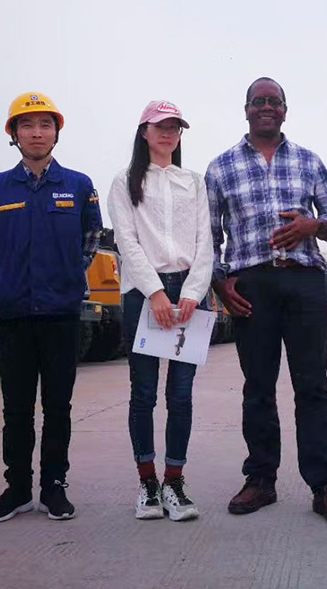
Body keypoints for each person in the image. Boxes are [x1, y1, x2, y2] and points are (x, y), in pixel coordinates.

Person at [205, 77, 327, 527]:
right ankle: (261, 480)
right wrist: (219, 283)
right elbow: (209, 236)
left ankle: (326, 486)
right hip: (251, 287)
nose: (266, 107)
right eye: (259, 101)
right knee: (258, 387)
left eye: (274, 101)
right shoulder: (220, 168)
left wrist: (313, 226)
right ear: (246, 109)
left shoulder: (308, 161)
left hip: (305, 285)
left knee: (312, 387)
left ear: (285, 110)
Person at [0, 92, 102, 523]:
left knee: (58, 406)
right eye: (27, 125)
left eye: (45, 125)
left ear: (56, 132)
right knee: (16, 407)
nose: (36, 133)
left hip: (60, 313)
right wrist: (6, 273)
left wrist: (68, 273)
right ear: (13, 133)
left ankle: (54, 487)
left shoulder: (79, 186)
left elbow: (91, 239)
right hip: (12, 312)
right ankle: (17, 489)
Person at [108, 100, 212, 522]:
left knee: (181, 394)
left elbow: (206, 240)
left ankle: (175, 482)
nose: (168, 133)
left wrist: (192, 291)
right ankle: (148, 484)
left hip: (188, 291)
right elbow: (126, 241)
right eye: (160, 127)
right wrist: (154, 292)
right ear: (144, 133)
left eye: (175, 127)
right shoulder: (126, 181)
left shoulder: (194, 182)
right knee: (144, 392)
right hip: (144, 294)